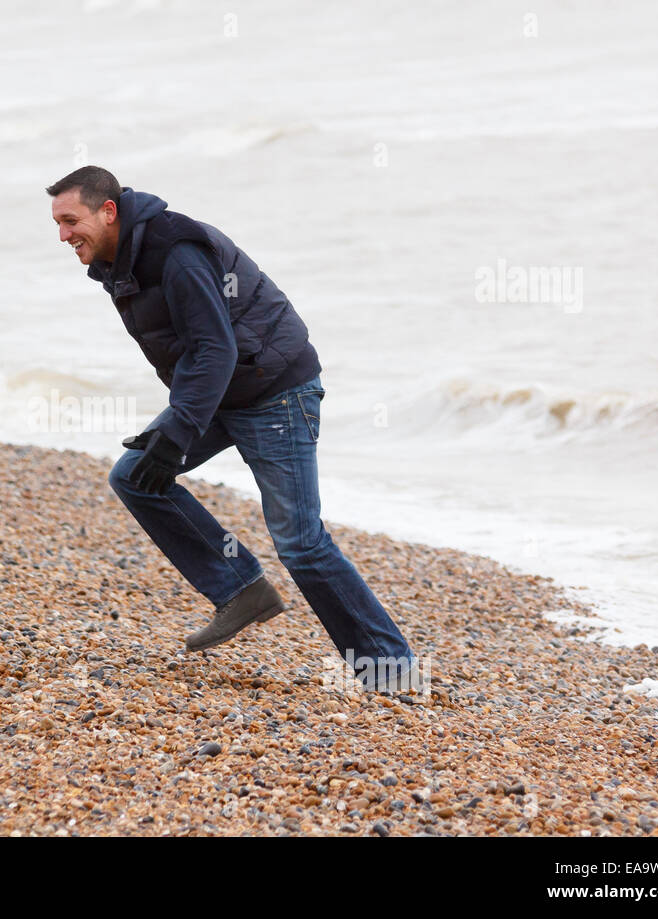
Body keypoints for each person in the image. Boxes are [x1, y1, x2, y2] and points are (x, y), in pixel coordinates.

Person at [47, 165, 418, 691]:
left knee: (301, 543)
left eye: (70, 220)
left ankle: (391, 670)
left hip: (275, 393)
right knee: (134, 476)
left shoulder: (176, 251)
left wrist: (180, 427)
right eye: (57, 224)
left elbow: (214, 346)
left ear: (108, 211)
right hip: (223, 389)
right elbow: (196, 351)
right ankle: (241, 589)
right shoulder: (120, 258)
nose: (63, 235)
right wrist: (178, 423)